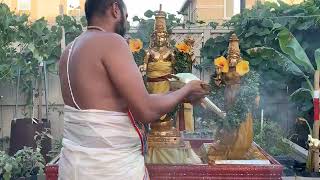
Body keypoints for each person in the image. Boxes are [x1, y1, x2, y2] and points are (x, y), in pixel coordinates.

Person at [58, 0, 208, 179]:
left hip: (72, 167)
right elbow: (146, 110)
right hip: (109, 169)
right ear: (115, 9)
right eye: (126, 16)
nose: (126, 23)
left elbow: (104, 104)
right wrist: (186, 89)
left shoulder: (68, 52)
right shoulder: (111, 41)